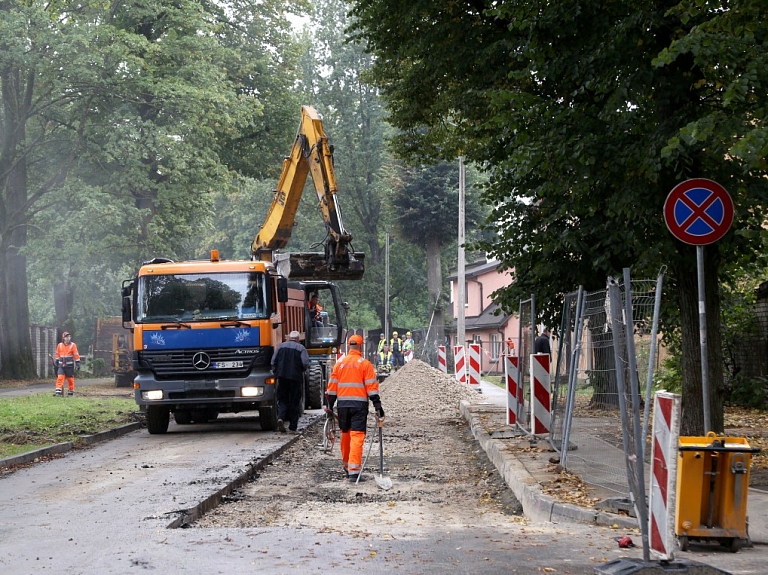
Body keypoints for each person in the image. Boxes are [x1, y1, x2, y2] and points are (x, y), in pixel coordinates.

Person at [325, 334, 384, 483]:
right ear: (361, 346)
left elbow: (331, 387)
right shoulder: (365, 364)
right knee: (357, 436)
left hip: (343, 406)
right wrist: (378, 406)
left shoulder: (339, 364)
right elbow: (371, 388)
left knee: (345, 435)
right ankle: (354, 471)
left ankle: (347, 466)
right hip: (359, 406)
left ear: (349, 346)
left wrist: (329, 405)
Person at [271, 330, 309, 433]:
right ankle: (292, 427)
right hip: (295, 378)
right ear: (298, 339)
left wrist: (276, 373)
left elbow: (273, 361)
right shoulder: (301, 348)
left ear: (289, 338)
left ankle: (281, 417)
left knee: (282, 399)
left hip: (282, 377)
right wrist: (301, 370)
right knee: (294, 401)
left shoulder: (280, 347)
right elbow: (305, 363)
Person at [54, 331, 81, 397]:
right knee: (60, 377)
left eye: (69, 337)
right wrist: (57, 360)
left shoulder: (73, 345)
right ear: (64, 338)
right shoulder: (59, 345)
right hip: (61, 365)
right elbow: (57, 353)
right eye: (67, 337)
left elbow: (76, 354)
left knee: (70, 380)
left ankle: (70, 393)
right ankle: (58, 392)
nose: (68, 338)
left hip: (69, 366)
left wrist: (78, 363)